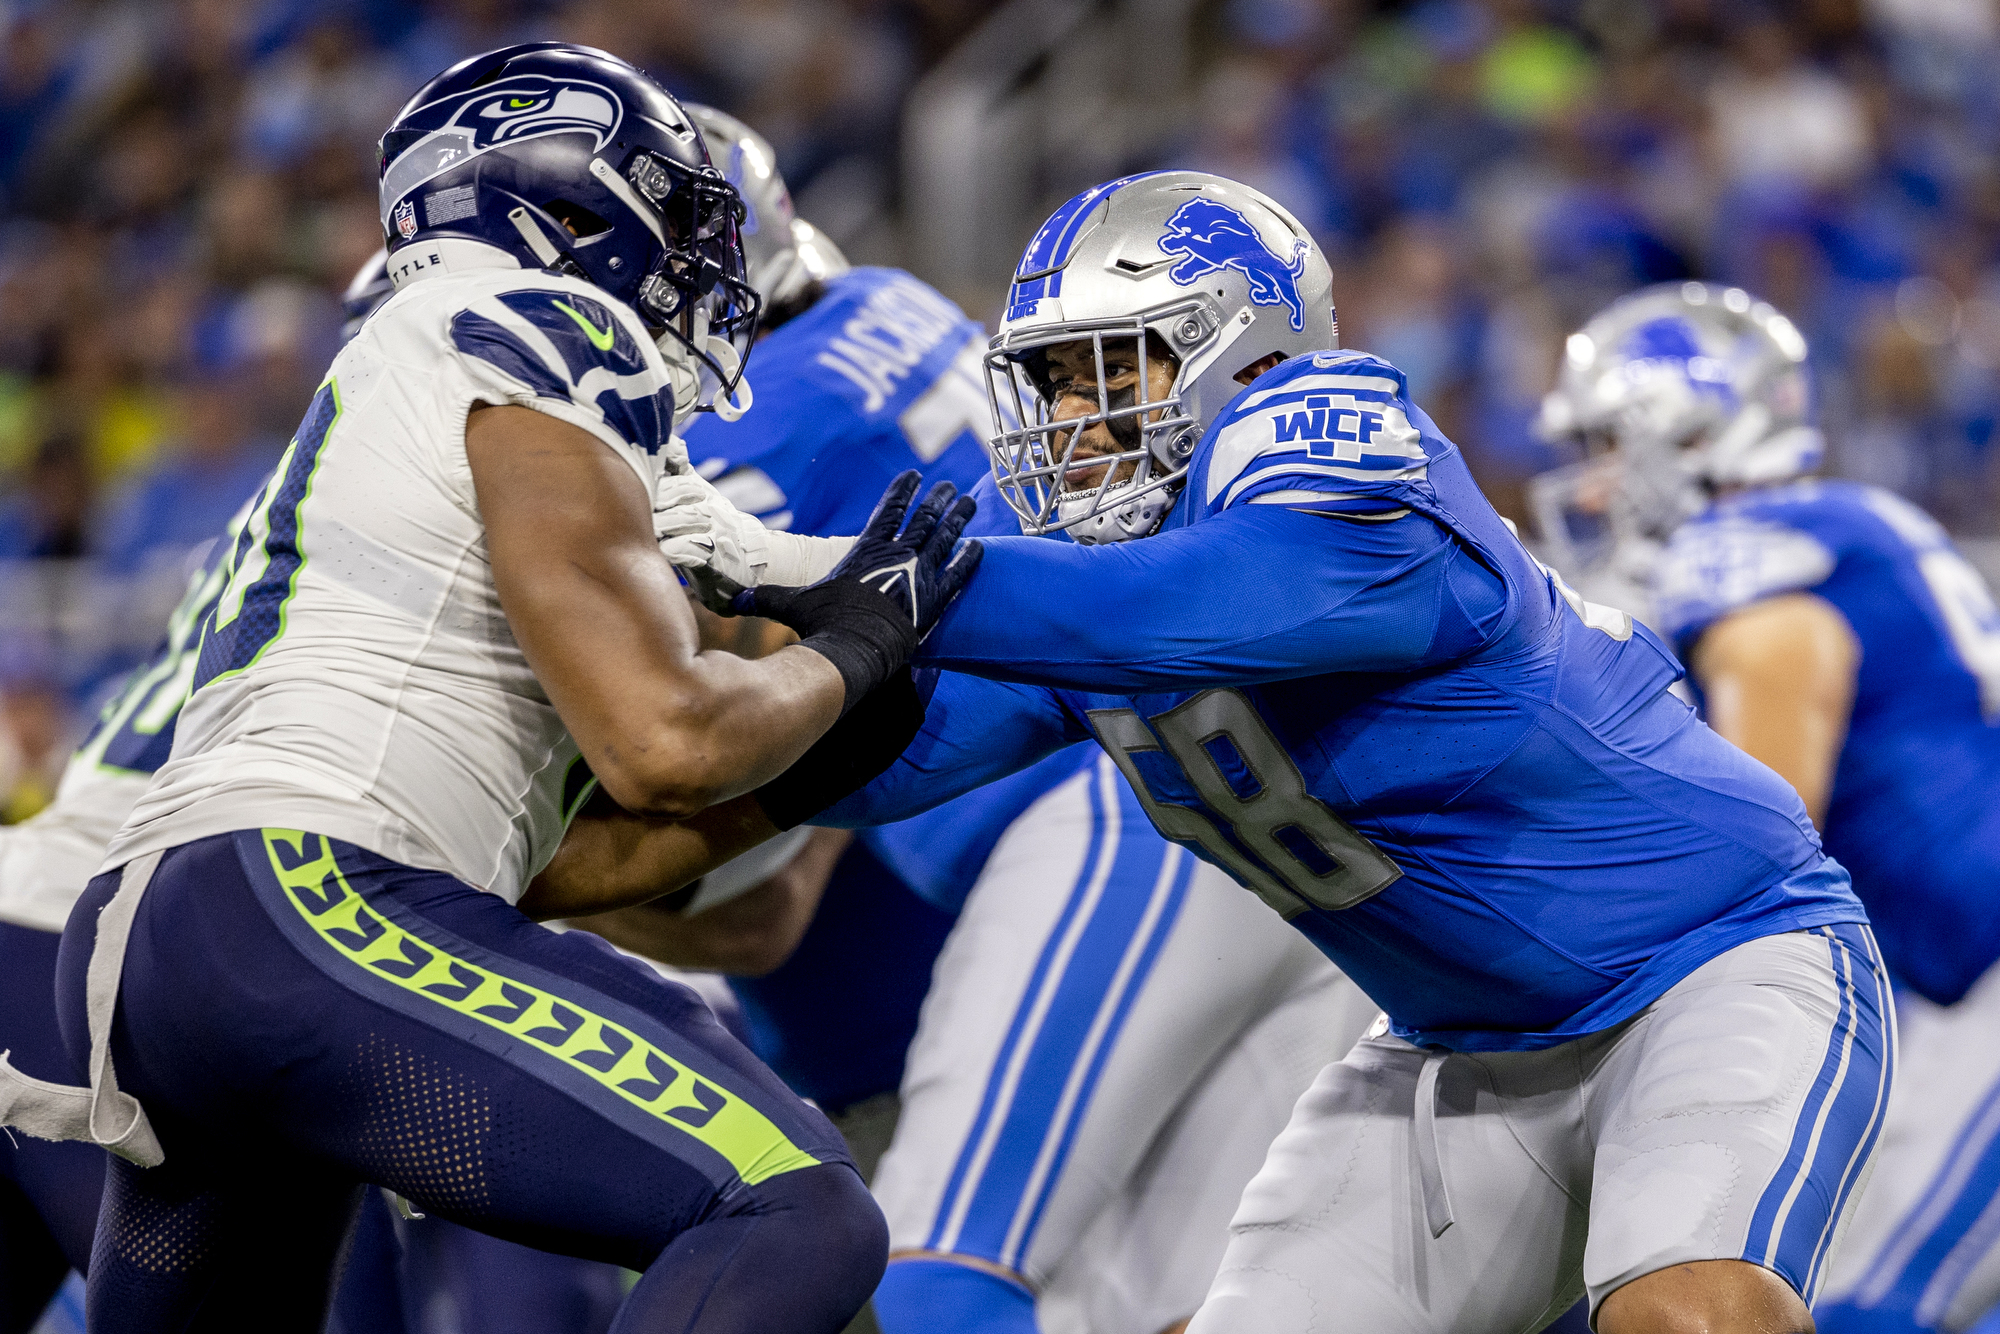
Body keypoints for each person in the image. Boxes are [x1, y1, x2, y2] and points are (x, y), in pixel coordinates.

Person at [674, 170, 1892, 1334]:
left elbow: (1201, 600)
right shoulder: (1082, 559)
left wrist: (802, 563)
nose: (1067, 419)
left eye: (1107, 367)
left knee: (1682, 1307)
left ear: (1243, 352)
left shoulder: (1339, 435)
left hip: (1709, 960)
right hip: (1456, 1044)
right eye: (1044, 380)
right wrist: (668, 752)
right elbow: (890, 764)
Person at [0, 43, 981, 1334]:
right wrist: (846, 659)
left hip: (163, 945)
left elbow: (564, 863)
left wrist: (830, 721)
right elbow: (666, 741)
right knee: (790, 1207)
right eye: (678, 219)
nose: (704, 263)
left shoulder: (476, 402)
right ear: (563, 209)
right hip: (312, 899)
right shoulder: (543, 326)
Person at [633, 110, 1380, 1334]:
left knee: (936, 1277)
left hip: (1110, 810)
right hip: (1226, 812)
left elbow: (742, 832)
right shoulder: (876, 301)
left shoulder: (740, 437)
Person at [1538, 282, 2000, 1334]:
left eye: (1612, 440)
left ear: (1690, 429)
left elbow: (1755, 834)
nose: (1594, 484)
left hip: (1982, 975)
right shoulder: (1845, 520)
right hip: (1955, 979)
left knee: (1867, 1304)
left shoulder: (1754, 550)